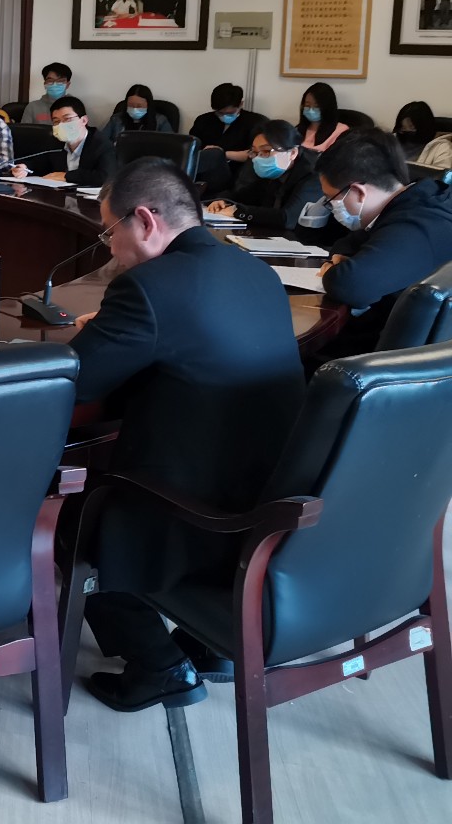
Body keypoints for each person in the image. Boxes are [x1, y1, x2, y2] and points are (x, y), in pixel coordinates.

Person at [69, 158, 306, 712]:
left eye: (109, 231)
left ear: (145, 221)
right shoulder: (256, 271)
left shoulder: (147, 288)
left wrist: (101, 334)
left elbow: (79, 382)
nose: (110, 248)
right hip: (274, 493)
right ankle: (210, 645)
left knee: (71, 517)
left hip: (194, 509)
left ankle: (160, 667)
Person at [314, 129, 452, 357]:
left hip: (386, 362)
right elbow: (346, 244)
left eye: (332, 199)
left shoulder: (415, 225)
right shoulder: (417, 198)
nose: (332, 207)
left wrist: (332, 271)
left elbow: (349, 285)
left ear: (358, 192)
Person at [204, 119, 323, 231]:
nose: (258, 158)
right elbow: (245, 195)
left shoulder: (314, 174)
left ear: (292, 153)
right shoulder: (275, 170)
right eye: (255, 152)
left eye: (266, 151)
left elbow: (288, 218)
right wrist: (222, 201)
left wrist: (238, 211)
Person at [10, 95, 113, 187]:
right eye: (56, 121)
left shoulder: (101, 144)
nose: (61, 125)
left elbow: (105, 177)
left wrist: (66, 176)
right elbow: (42, 165)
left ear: (84, 120)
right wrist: (25, 168)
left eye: (67, 119)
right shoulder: (55, 142)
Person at [188, 83, 266, 196]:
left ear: (241, 104)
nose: (224, 116)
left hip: (236, 174)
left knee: (214, 154)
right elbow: (191, 149)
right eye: (219, 113)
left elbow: (257, 154)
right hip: (202, 172)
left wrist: (222, 154)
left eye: (230, 113)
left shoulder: (256, 122)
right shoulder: (203, 120)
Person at [100, 84, 174, 142]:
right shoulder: (116, 119)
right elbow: (101, 142)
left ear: (148, 105)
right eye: (131, 105)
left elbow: (170, 144)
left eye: (139, 106)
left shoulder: (161, 121)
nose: (135, 109)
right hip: (119, 155)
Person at [297, 81, 348, 154]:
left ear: (327, 107)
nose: (311, 110)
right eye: (307, 105)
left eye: (317, 106)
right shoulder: (298, 129)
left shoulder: (341, 131)